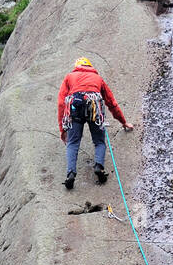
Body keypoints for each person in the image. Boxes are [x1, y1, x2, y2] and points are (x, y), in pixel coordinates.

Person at [57, 56, 134, 190]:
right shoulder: (98, 79)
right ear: (90, 67)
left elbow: (61, 103)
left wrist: (62, 130)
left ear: (77, 67)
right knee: (99, 141)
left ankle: (70, 174)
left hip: (75, 107)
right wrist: (123, 122)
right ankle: (98, 166)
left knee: (73, 142)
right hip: (94, 107)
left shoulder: (69, 77)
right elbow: (111, 102)